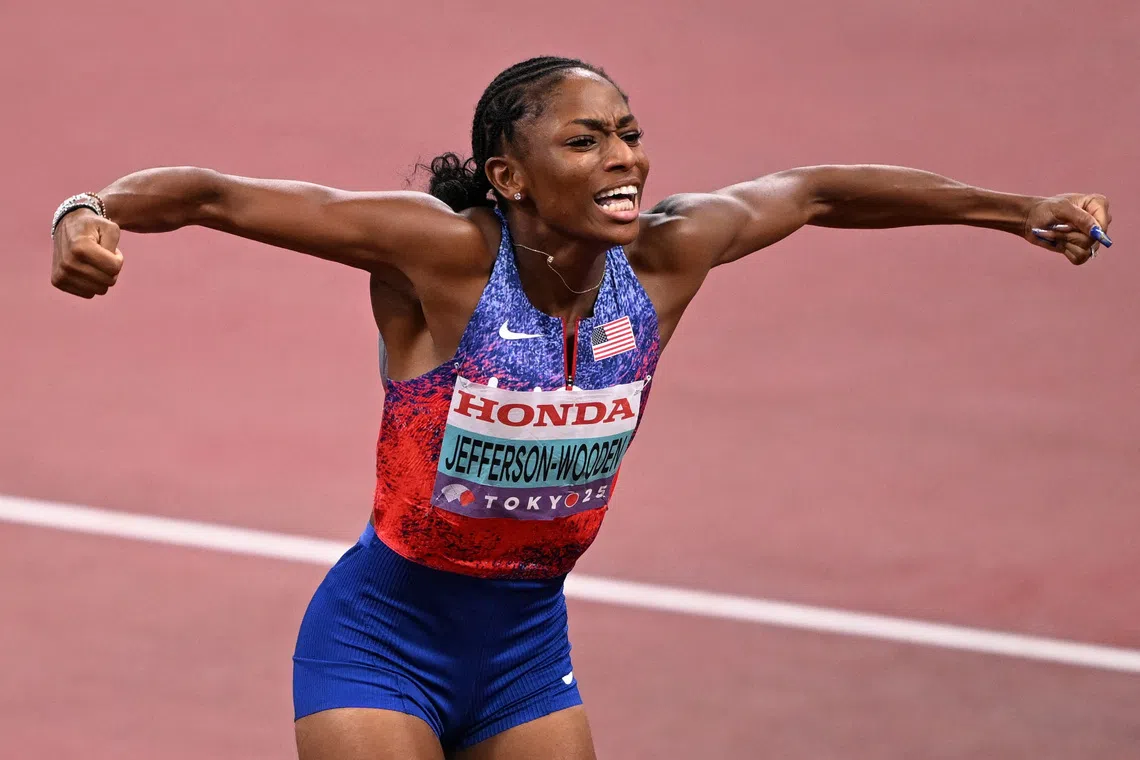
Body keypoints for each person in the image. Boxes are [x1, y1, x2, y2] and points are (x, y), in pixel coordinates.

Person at [49, 55, 1112, 760]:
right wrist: (85, 211)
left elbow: (819, 190)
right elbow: (210, 194)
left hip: (524, 647)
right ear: (508, 174)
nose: (625, 161)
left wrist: (1017, 211)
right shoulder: (445, 257)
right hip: (384, 638)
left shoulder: (666, 260)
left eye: (629, 132)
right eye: (586, 141)